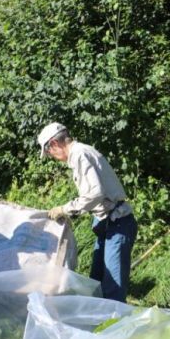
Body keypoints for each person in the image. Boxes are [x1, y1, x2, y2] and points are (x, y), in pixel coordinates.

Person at [38, 122, 137, 302]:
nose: (52, 157)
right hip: (106, 223)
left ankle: (114, 326)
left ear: (53, 144)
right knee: (97, 281)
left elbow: (94, 194)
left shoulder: (79, 154)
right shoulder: (81, 152)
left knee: (112, 287)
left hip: (118, 223)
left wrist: (65, 209)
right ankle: (99, 323)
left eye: (49, 153)